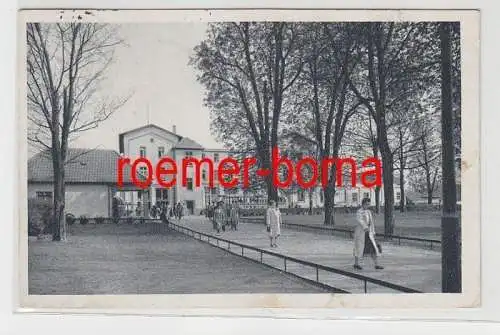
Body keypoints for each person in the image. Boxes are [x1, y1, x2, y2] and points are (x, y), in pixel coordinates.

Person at [353, 198, 383, 270]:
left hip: (369, 233)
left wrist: (373, 231)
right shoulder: (359, 212)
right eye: (366, 204)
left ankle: (376, 264)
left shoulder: (369, 212)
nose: (367, 206)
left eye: (368, 204)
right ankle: (356, 264)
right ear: (363, 204)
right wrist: (365, 227)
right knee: (359, 248)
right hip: (361, 233)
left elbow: (371, 223)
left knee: (373, 248)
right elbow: (359, 220)